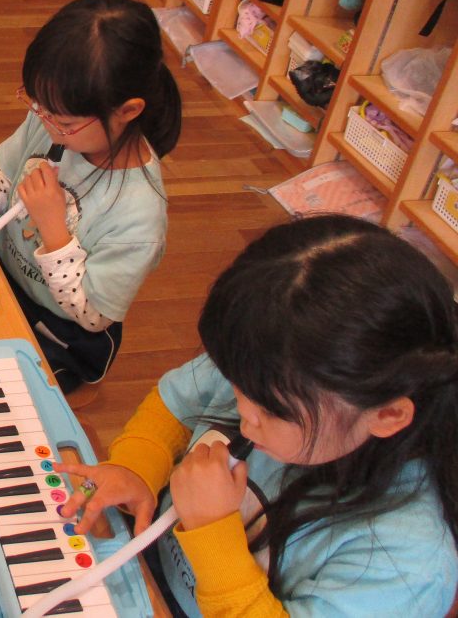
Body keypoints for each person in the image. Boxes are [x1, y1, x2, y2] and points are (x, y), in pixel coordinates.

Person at [57, 214, 458, 616]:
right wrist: (136, 468)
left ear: (387, 415)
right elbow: (177, 403)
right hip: (139, 569)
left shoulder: (405, 564)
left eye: (271, 410)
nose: (244, 415)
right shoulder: (269, 365)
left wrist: (212, 534)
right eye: (234, 384)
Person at [0, 0, 181, 392]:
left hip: (62, 336)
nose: (45, 124)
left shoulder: (138, 216)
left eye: (63, 123)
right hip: (4, 282)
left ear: (127, 111)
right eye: (39, 108)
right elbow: (5, 176)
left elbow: (93, 316)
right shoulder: (54, 118)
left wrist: (54, 229)